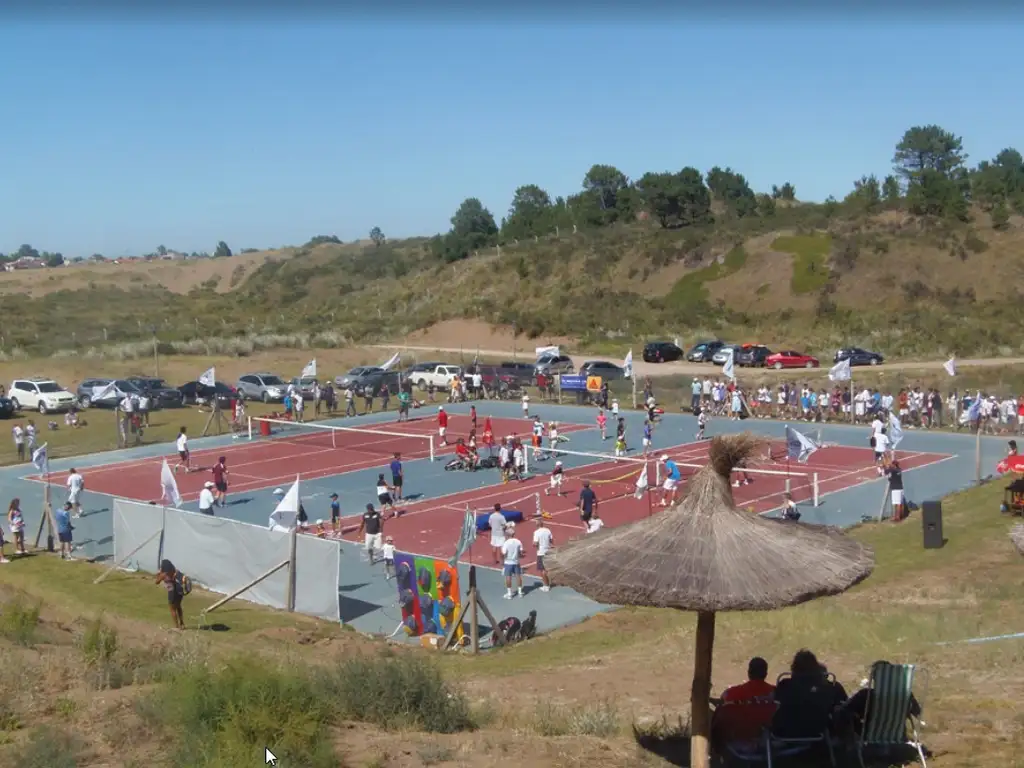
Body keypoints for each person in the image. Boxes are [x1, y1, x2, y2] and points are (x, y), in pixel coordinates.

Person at [772, 649, 848, 740]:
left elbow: (775, 704)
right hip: (816, 730)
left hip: (785, 730)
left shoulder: (785, 684)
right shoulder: (827, 687)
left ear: (794, 667)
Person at [837, 660, 922, 738]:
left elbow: (843, 711)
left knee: (841, 713)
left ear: (874, 677)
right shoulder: (905, 695)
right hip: (898, 736)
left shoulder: (866, 695)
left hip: (870, 735)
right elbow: (917, 713)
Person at [155, 559, 186, 630]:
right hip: (179, 591)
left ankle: (177, 626)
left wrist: (158, 574)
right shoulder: (176, 571)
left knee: (172, 609)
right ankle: (182, 623)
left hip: (172, 592)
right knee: (178, 607)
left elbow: (157, 582)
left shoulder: (164, 574)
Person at [501, 522, 524, 599]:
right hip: (516, 562)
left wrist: (502, 561)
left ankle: (509, 593)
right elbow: (521, 552)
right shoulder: (518, 541)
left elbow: (504, 553)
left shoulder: (506, 543)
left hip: (508, 562)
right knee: (518, 576)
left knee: (508, 577)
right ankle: (520, 592)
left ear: (507, 535)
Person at [532, 518, 553, 592]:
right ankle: (547, 583)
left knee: (542, 570)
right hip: (548, 551)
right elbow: (551, 540)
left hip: (541, 552)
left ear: (537, 524)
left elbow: (535, 543)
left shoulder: (536, 532)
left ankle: (546, 586)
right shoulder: (548, 530)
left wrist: (533, 544)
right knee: (546, 569)